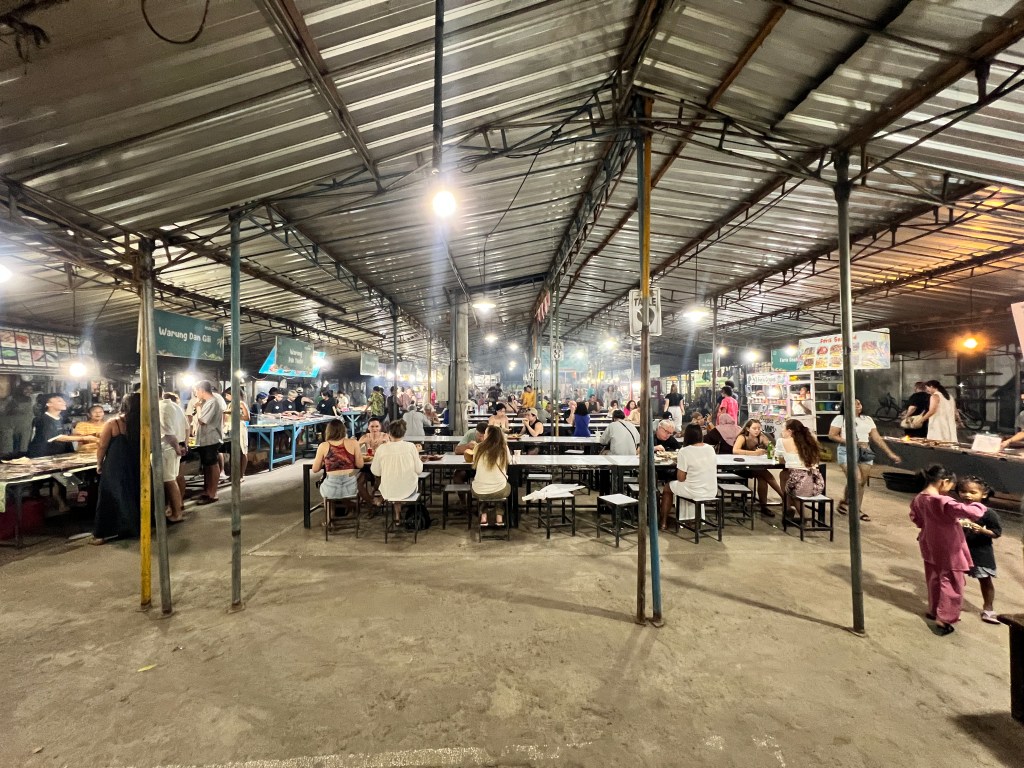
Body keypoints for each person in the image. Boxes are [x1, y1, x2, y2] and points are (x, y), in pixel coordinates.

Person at [909, 465, 986, 635]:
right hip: (949, 547)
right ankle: (944, 619)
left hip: (929, 543)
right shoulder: (943, 501)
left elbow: (916, 518)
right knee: (951, 582)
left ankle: (934, 610)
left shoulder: (919, 498)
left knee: (934, 578)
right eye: (951, 486)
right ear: (944, 482)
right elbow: (971, 512)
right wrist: (979, 504)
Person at [828, 399, 902, 521]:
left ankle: (850, 505)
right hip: (846, 450)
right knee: (856, 480)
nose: (858, 405)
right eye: (855, 403)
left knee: (861, 482)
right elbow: (832, 435)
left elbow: (877, 438)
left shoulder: (867, 419)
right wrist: (851, 442)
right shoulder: (841, 418)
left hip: (865, 451)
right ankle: (853, 509)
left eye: (860, 403)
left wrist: (890, 453)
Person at [91, 393, 142, 543]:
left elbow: (102, 446)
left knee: (110, 495)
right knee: (134, 494)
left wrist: (99, 463)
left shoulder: (114, 423)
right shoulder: (145, 423)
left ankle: (102, 534)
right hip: (137, 463)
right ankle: (132, 528)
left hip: (116, 465)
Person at [956, 476, 1002, 625]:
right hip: (959, 550)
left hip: (981, 552)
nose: (967, 495)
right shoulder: (956, 508)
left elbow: (996, 532)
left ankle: (988, 609)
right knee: (955, 578)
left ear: (984, 494)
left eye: (972, 492)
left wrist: (982, 530)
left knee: (985, 580)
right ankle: (952, 606)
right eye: (963, 491)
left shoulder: (988, 513)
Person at [659, 423, 717, 529]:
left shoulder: (684, 451)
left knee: (667, 488)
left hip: (693, 491)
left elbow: (681, 478)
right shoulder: (710, 449)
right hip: (711, 490)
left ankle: (663, 522)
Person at [370, 420, 422, 525]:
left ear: (389, 433)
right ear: (404, 433)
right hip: (409, 490)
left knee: (393, 484)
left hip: (388, 491)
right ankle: (400, 514)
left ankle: (397, 515)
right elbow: (419, 470)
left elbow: (375, 471)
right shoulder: (411, 447)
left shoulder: (381, 448)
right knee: (403, 482)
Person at [731, 418, 786, 517]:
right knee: (764, 473)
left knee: (762, 478)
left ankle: (764, 506)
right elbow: (735, 450)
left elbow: (771, 447)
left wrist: (770, 450)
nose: (757, 430)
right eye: (754, 428)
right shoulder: (742, 437)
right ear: (748, 429)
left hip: (755, 466)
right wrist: (754, 453)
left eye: (759, 428)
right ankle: (783, 497)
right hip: (741, 467)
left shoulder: (761, 436)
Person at [312, 419, 364, 506]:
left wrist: (325, 461)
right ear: (344, 430)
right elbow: (360, 465)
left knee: (324, 485)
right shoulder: (353, 443)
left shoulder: (323, 446)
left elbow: (315, 469)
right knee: (360, 477)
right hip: (350, 488)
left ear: (328, 431)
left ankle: (329, 512)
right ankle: (351, 507)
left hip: (331, 489)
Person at [778, 419, 824, 515]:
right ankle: (788, 508)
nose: (781, 431)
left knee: (790, 482)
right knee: (785, 475)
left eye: (783, 428)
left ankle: (791, 510)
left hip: (800, 485)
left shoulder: (782, 441)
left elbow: (780, 460)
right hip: (817, 484)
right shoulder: (810, 441)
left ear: (789, 431)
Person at [472, 425, 512, 526]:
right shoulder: (504, 448)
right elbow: (509, 461)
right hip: (500, 490)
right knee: (503, 487)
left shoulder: (478, 448)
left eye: (485, 433)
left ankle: (483, 515)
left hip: (479, 490)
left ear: (488, 435)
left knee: (485, 489)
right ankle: (499, 516)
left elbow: (474, 462)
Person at [193, 380, 225, 504]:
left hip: (211, 438)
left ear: (201, 390)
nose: (196, 393)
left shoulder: (212, 402)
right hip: (206, 439)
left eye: (196, 391)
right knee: (207, 466)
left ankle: (212, 493)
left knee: (212, 465)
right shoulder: (209, 402)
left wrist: (198, 407)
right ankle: (207, 491)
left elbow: (202, 420)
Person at [159, 391, 189, 522]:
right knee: (174, 478)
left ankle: (176, 513)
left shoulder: (162, 407)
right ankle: (175, 508)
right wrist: (184, 444)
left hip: (167, 448)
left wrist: (177, 447)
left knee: (169, 480)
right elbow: (187, 427)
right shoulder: (176, 406)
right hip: (175, 446)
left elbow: (168, 432)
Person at [26, 393, 76, 458]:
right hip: (42, 457)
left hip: (56, 455)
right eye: (59, 401)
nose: (64, 403)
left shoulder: (60, 418)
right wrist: (83, 438)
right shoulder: (43, 419)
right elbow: (58, 437)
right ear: (48, 404)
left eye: (64, 401)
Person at [356, 417, 389, 503]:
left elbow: (390, 449)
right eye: (372, 426)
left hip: (381, 466)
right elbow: (356, 449)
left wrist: (386, 443)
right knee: (358, 483)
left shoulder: (385, 436)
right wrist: (361, 443)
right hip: (367, 466)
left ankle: (379, 498)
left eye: (377, 426)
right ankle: (371, 502)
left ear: (380, 427)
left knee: (381, 483)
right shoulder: (364, 437)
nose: (374, 429)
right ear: (368, 427)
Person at [222, 387, 250, 479]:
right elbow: (226, 418)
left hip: (240, 428)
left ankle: (241, 475)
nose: (226, 397)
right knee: (232, 452)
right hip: (230, 429)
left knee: (242, 451)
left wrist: (235, 416)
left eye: (227, 395)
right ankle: (233, 474)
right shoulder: (229, 405)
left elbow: (247, 417)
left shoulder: (241, 403)